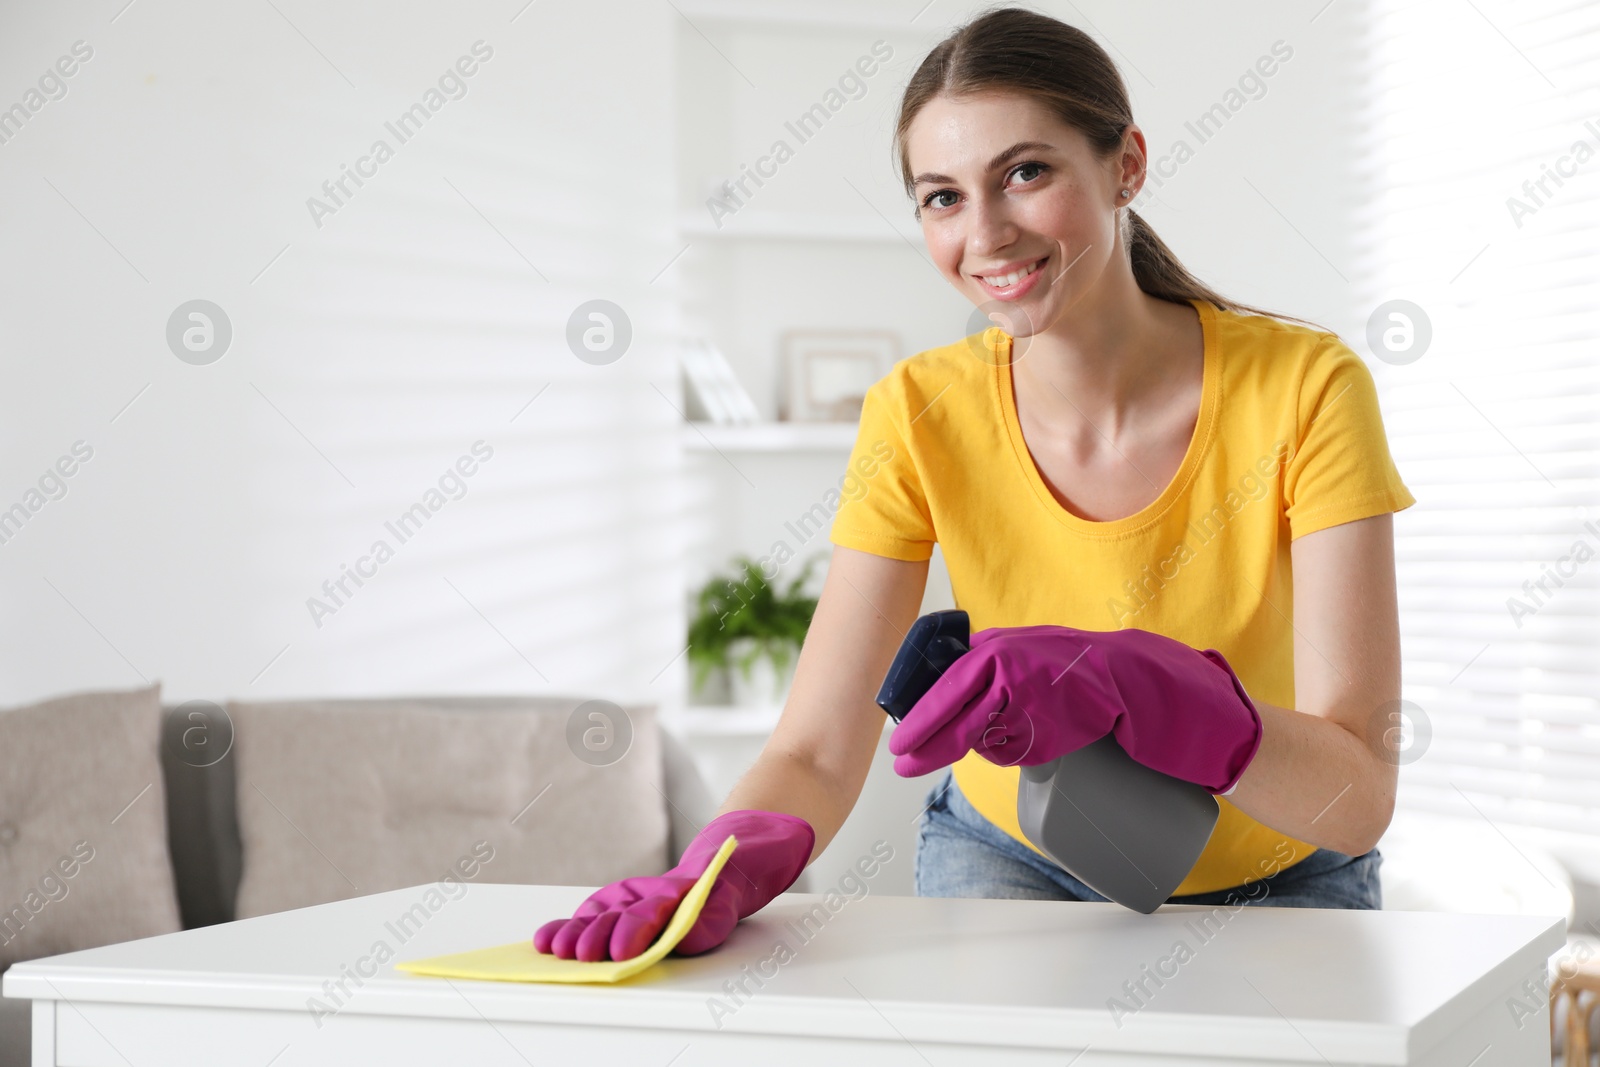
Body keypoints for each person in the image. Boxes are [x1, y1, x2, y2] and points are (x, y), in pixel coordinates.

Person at [533, 7, 1415, 963]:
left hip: (1280, 881)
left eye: (1025, 173)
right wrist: (716, 867)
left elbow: (1357, 796)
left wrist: (1137, 685)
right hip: (1012, 858)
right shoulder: (916, 413)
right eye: (941, 198)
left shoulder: (1306, 389)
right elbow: (818, 750)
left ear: (1126, 164)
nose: (986, 232)